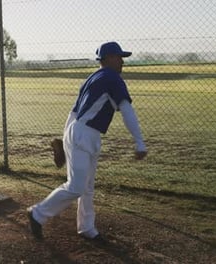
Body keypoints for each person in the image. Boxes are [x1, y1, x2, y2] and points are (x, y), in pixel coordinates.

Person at [27, 41, 147, 243]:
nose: (122, 62)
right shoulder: (112, 77)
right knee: (76, 187)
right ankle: (37, 213)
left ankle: (87, 228)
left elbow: (73, 112)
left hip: (83, 133)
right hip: (83, 135)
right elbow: (126, 109)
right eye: (119, 57)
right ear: (108, 59)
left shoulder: (93, 78)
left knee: (87, 187)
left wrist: (65, 138)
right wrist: (139, 142)